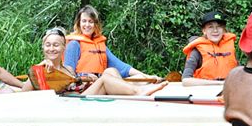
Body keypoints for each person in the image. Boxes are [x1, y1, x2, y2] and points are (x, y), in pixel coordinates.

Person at [23, 27, 167, 96]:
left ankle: (128, 94)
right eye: (48, 45)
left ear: (63, 48)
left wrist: (86, 78)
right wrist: (40, 72)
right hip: (71, 104)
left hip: (80, 98)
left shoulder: (68, 69)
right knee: (105, 79)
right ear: (43, 47)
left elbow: (74, 79)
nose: (51, 49)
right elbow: (23, 95)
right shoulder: (39, 69)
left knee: (110, 71)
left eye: (56, 45)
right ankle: (138, 92)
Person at [63, 5, 159, 81]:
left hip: (101, 82)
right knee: (110, 72)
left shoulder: (99, 44)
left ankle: (146, 84)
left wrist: (147, 76)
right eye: (84, 21)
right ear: (79, 23)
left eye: (90, 22)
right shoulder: (74, 44)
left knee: (138, 77)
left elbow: (122, 67)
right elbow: (68, 73)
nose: (87, 25)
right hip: (84, 86)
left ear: (95, 24)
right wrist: (84, 78)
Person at [181, 11, 239, 86]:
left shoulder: (230, 47)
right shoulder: (196, 51)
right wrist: (219, 83)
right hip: (205, 94)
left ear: (224, 30)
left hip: (227, 92)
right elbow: (186, 81)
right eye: (210, 27)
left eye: (219, 26)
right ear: (204, 31)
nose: (215, 30)